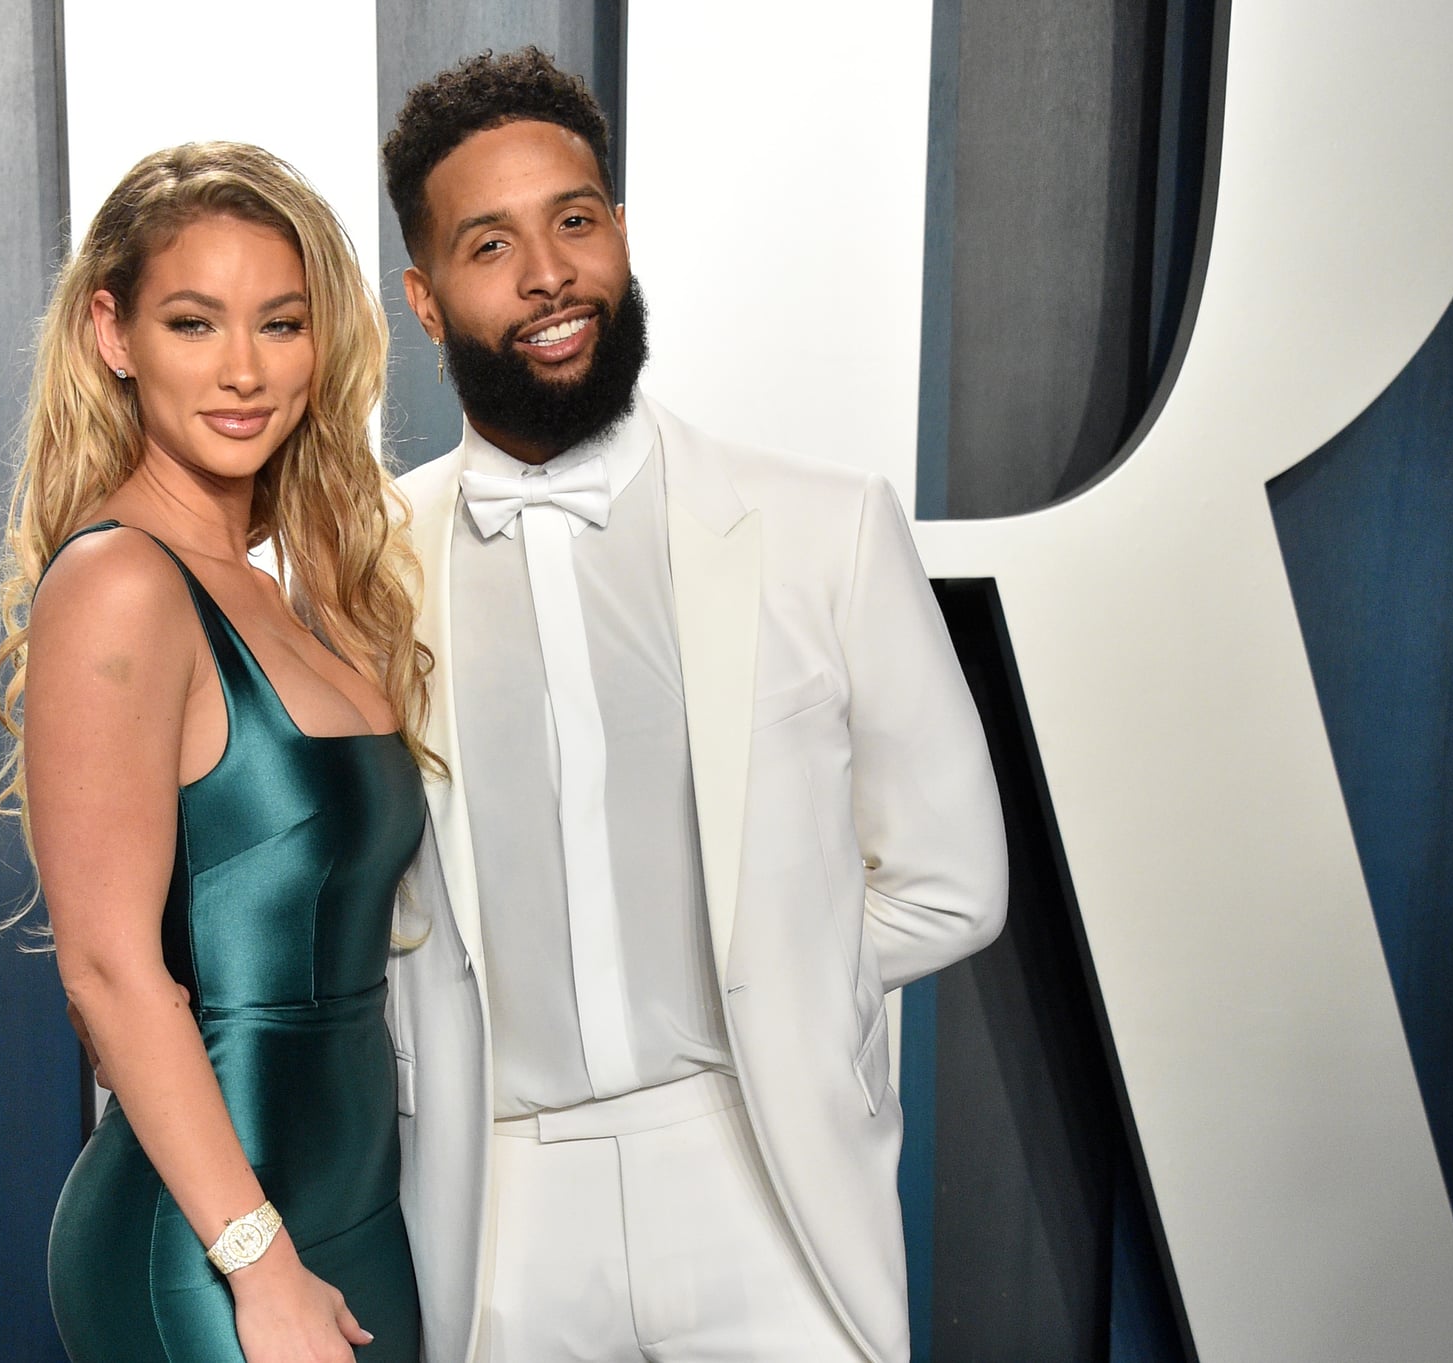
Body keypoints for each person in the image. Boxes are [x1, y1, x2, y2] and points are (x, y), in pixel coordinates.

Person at [379, 49, 1008, 1363]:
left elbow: (954, 881)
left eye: (577, 219)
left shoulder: (821, 527)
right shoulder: (358, 569)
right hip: (495, 1205)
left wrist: (778, 978)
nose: (550, 272)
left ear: (620, 231)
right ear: (426, 304)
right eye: (491, 244)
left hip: (761, 1176)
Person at [0, 141, 432, 1363]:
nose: (244, 370)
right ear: (112, 334)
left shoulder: (290, 594)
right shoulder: (120, 580)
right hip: (210, 1251)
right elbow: (107, 968)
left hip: (351, 1219)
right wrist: (259, 1266)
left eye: (279, 324)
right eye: (194, 323)